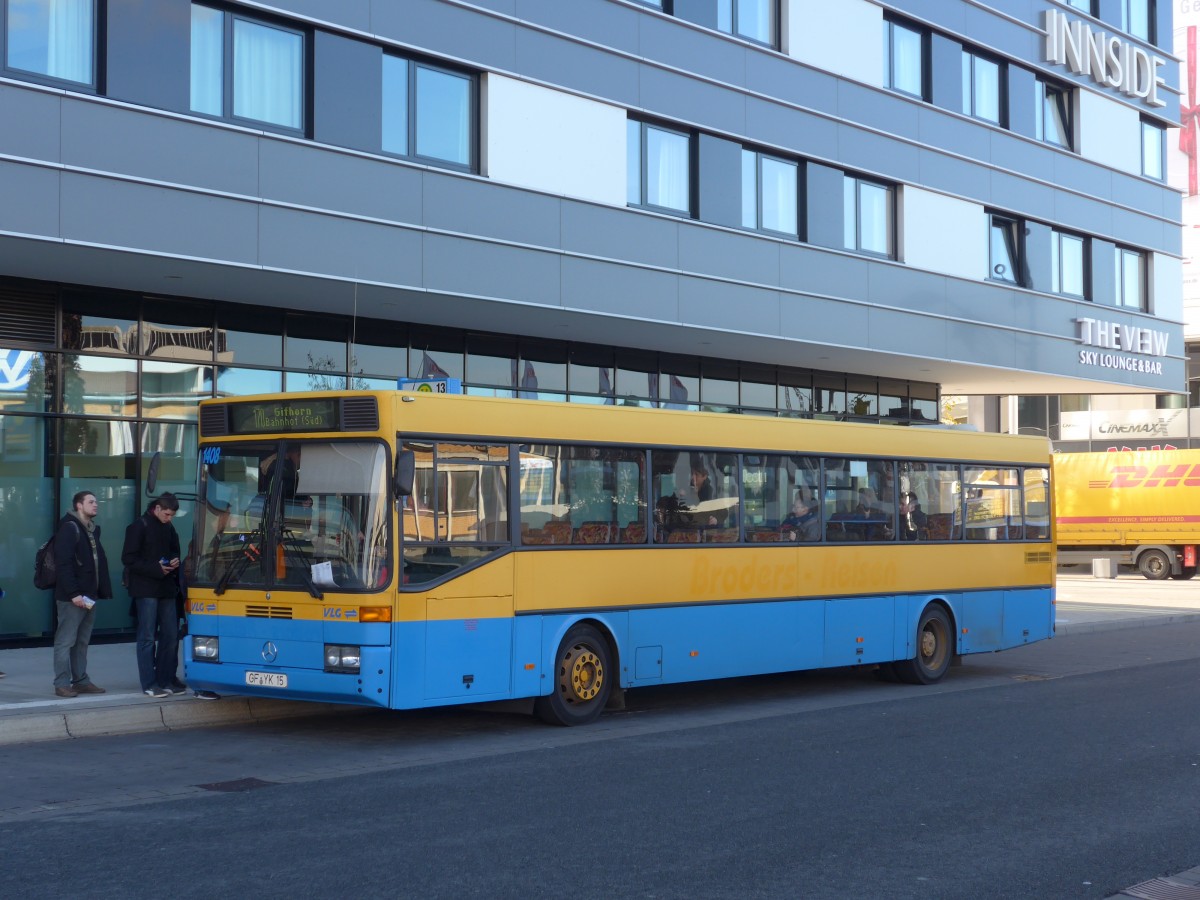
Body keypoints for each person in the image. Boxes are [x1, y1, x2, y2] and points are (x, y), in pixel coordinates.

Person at [122, 492, 186, 699]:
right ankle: (149, 683)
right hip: (145, 588)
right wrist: (156, 568)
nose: (169, 518)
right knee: (147, 637)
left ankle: (165, 679)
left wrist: (174, 561)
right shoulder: (139, 526)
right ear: (157, 508)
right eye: (167, 514)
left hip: (165, 587)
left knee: (170, 635)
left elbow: (175, 550)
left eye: (172, 515)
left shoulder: (168, 527)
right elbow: (128, 558)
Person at [52, 490, 112, 698]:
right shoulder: (70, 528)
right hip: (73, 598)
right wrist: (74, 593)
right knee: (65, 640)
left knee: (81, 641)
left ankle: (80, 681)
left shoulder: (90, 529)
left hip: (89, 596)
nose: (96, 505)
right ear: (79, 505)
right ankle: (61, 683)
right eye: (91, 502)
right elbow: (64, 564)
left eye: (96, 502)